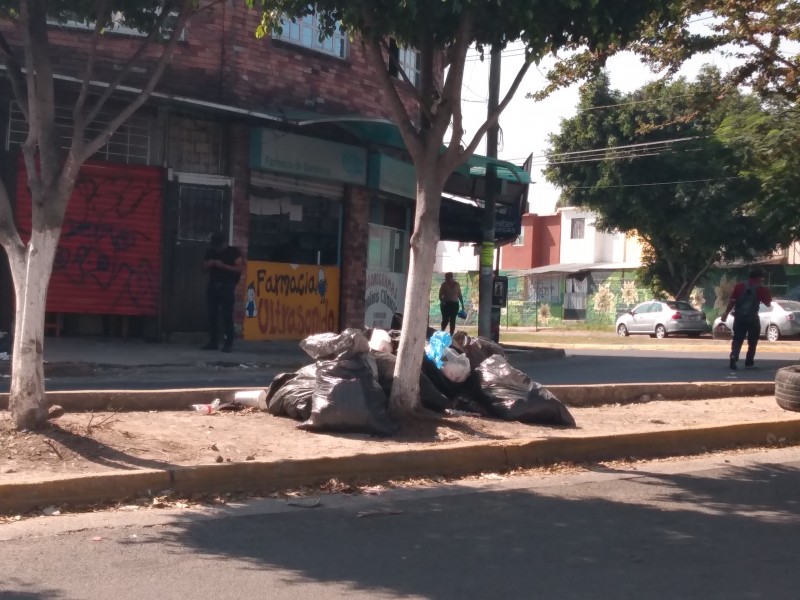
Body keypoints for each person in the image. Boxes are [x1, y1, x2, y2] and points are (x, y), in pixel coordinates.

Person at [721, 267, 772, 370]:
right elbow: (768, 303)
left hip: (739, 317)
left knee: (737, 339)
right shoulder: (761, 288)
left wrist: (726, 313)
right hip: (752, 318)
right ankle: (749, 362)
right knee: (753, 341)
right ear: (760, 278)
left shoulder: (739, 286)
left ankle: (734, 356)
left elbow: (732, 301)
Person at [202, 232, 244, 353]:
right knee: (212, 315)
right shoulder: (210, 252)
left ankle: (228, 343)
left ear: (225, 243)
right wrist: (208, 265)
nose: (217, 249)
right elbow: (203, 267)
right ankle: (213, 342)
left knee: (227, 315)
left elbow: (240, 269)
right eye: (215, 246)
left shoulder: (233, 252)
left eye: (219, 246)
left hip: (227, 286)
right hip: (213, 286)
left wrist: (224, 266)